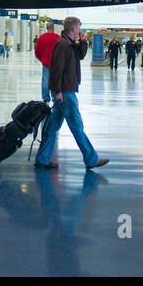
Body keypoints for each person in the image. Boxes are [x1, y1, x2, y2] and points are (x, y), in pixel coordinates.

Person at [35, 16, 107, 171]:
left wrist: (83, 41)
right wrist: (58, 91)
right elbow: (56, 69)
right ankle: (91, 159)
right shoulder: (63, 45)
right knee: (76, 126)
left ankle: (42, 158)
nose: (80, 30)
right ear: (74, 29)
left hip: (65, 91)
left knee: (53, 126)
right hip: (65, 93)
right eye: (79, 28)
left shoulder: (69, 43)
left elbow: (80, 56)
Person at [34, 20, 58, 103]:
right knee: (55, 81)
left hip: (46, 63)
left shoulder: (42, 37)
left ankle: (45, 99)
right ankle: (55, 97)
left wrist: (42, 59)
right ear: (53, 28)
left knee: (45, 81)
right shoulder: (58, 37)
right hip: (56, 64)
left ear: (46, 28)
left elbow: (37, 52)